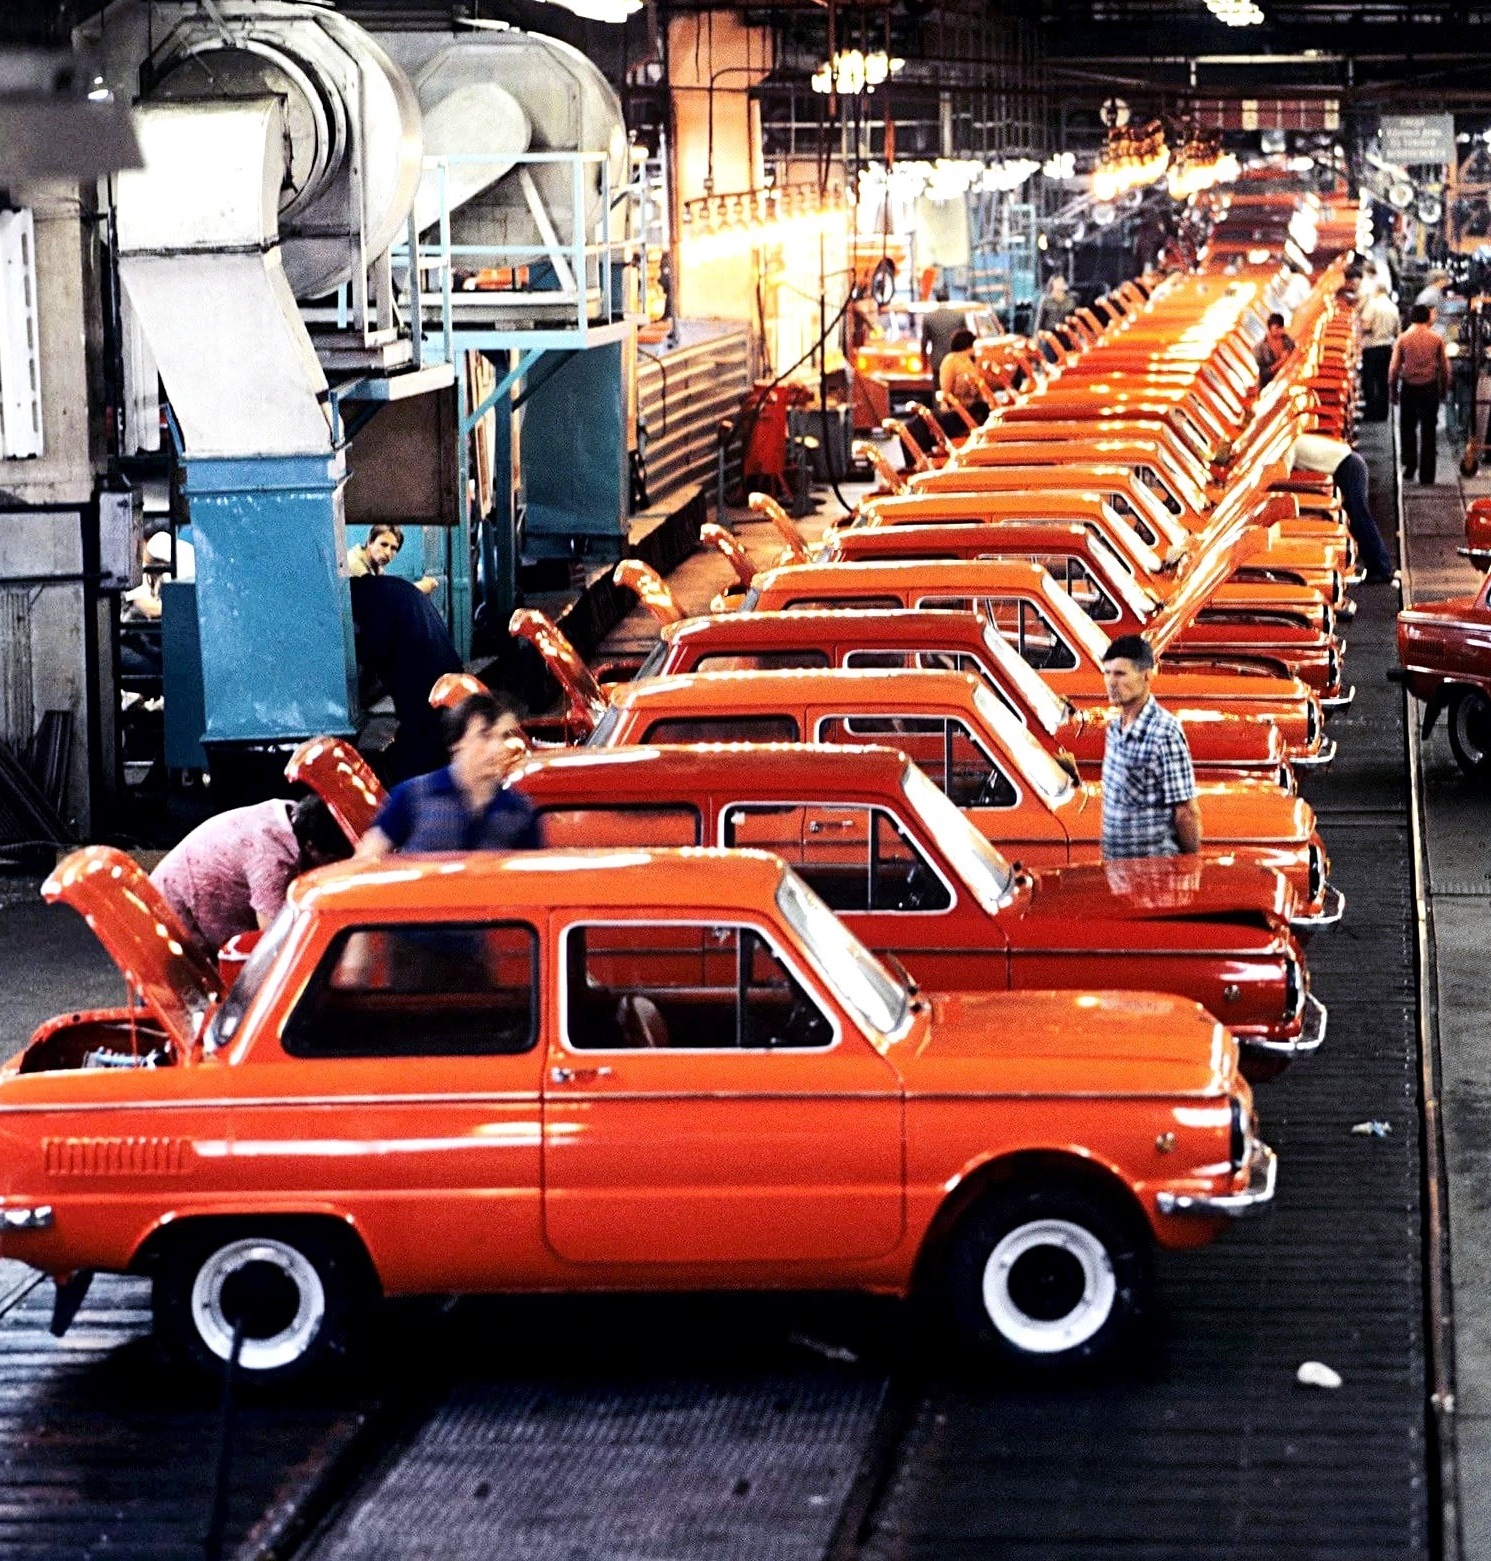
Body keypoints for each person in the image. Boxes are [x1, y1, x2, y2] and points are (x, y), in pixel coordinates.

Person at [151, 795, 352, 958]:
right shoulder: (272, 859)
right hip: (172, 912)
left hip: (181, 895)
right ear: (311, 846)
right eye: (333, 859)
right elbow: (273, 942)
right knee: (180, 999)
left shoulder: (292, 815)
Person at [356, 689, 540, 859]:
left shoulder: (518, 811)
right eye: (484, 735)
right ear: (457, 742)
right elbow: (365, 864)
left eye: (502, 736)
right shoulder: (413, 797)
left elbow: (534, 882)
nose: (496, 748)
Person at [349, 572, 464, 783]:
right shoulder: (388, 587)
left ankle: (412, 788)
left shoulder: (363, 599)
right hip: (442, 667)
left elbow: (376, 646)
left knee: (422, 737)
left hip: (421, 674)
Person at [1099, 634, 1201, 861]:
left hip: (1154, 877)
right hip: (1118, 873)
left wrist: (1190, 866)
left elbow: (1185, 812)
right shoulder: (1115, 729)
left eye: (1120, 673)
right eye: (1107, 673)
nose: (1111, 682)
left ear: (1146, 676)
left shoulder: (1164, 733)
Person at [1288, 432, 1394, 583]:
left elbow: (1282, 474)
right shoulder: (1293, 437)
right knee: (1359, 518)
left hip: (1349, 467)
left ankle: (1381, 569)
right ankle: (1378, 567)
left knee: (1359, 518)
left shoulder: (1288, 445)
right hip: (1351, 463)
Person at [1390, 302, 1450, 486]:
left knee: (1407, 428)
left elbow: (1393, 369)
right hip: (1429, 388)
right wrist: (1443, 389)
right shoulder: (1436, 338)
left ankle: (1409, 466)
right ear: (1427, 317)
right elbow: (1446, 369)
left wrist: (1393, 390)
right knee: (1428, 431)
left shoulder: (1403, 338)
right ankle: (1427, 475)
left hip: (1409, 388)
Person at [347, 523, 438, 595]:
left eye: (393, 548)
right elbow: (381, 598)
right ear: (370, 542)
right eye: (383, 544)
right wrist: (420, 587)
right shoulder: (354, 563)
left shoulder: (376, 567)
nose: (387, 552)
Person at [1358, 285, 1400, 422]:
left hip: (1372, 346)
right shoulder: (1393, 308)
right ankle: (1383, 412)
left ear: (1376, 292)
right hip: (1387, 347)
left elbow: (1366, 326)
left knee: (1369, 380)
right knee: (1383, 381)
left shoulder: (1372, 305)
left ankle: (1371, 411)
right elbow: (1397, 331)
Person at [938, 329, 989, 424]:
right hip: (957, 412)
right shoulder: (950, 361)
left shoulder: (970, 360)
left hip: (972, 408)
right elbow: (946, 391)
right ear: (968, 346)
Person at [921, 288, 966, 386]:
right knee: (955, 387)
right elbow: (966, 340)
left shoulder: (928, 317)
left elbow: (924, 342)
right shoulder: (959, 316)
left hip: (937, 361)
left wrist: (924, 364)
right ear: (949, 299)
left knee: (939, 389)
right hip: (956, 361)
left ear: (936, 299)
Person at [1253, 313, 1296, 387]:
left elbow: (1295, 351)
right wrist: (1281, 362)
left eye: (1281, 328)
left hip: (1288, 379)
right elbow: (1264, 374)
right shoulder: (1259, 349)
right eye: (1276, 329)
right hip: (1271, 386)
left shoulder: (1286, 339)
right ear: (1269, 328)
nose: (1279, 331)